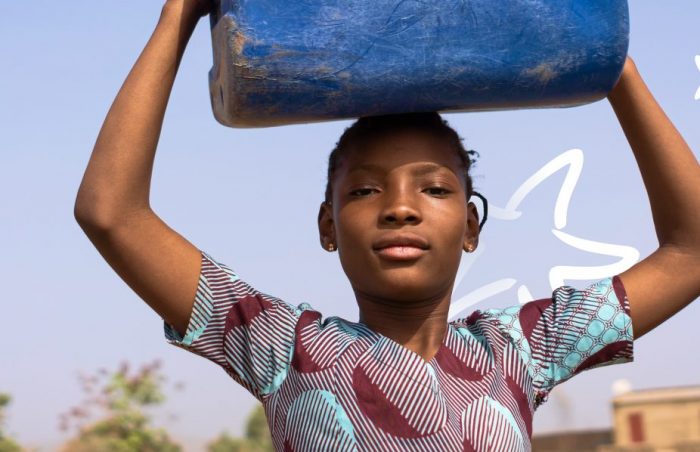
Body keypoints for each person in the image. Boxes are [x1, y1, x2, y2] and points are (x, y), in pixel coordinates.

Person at [74, 0, 700, 450]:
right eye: (366, 189)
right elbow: (112, 214)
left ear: (471, 226)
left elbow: (691, 253)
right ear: (328, 225)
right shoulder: (284, 349)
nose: (401, 207)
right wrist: (178, 17)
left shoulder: (519, 352)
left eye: (434, 188)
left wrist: (609, 62)